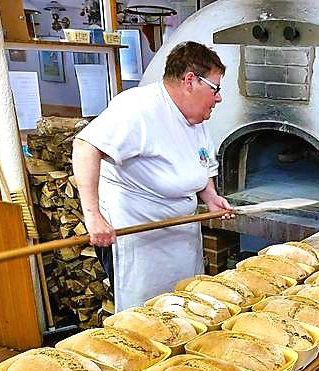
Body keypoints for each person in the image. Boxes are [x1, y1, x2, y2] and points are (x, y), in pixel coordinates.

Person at [73, 41, 232, 312]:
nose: (218, 98)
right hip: (139, 235)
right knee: (145, 317)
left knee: (185, 306)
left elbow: (201, 161)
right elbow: (85, 147)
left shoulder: (196, 118)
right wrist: (93, 217)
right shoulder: (138, 107)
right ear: (190, 81)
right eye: (215, 89)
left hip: (180, 233)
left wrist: (211, 197)